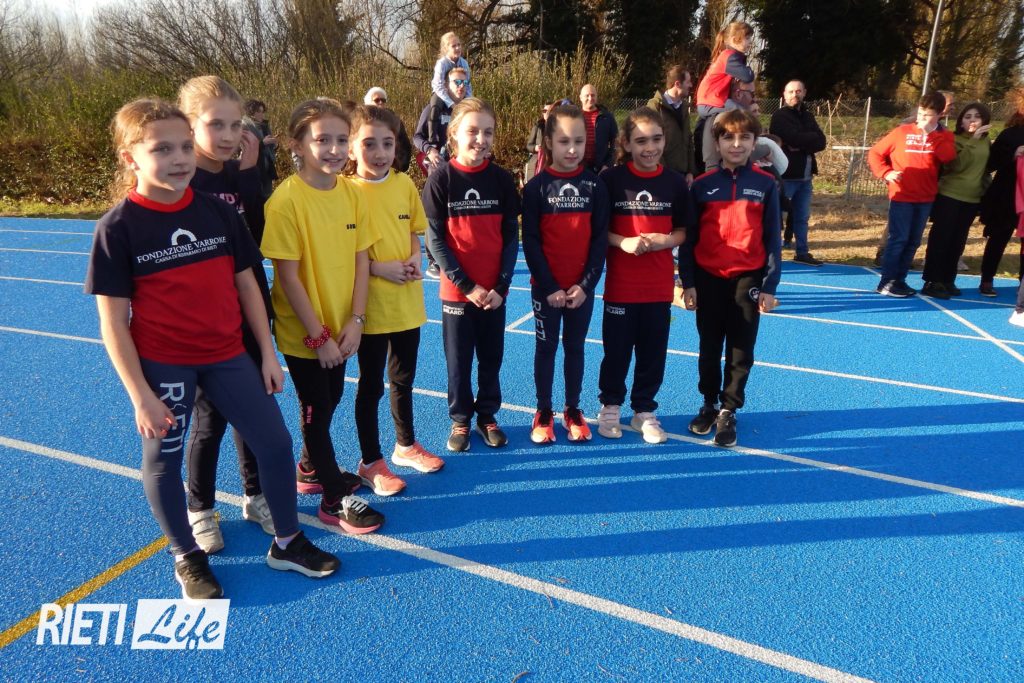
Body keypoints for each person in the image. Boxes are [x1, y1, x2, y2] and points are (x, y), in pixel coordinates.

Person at [85, 98, 340, 600]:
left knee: (275, 443)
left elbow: (248, 285)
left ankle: (287, 542)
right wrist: (140, 395)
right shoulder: (117, 228)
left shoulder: (216, 212)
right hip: (164, 363)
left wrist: (266, 352)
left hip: (227, 354)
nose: (179, 158)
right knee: (163, 460)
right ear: (130, 158)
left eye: (184, 146)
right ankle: (186, 553)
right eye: (162, 149)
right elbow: (113, 322)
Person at [260, 98, 385, 534]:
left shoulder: (352, 194)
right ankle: (333, 498)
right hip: (306, 335)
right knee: (316, 409)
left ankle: (310, 469)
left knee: (330, 401)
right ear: (297, 144)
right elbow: (289, 278)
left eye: (341, 139)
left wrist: (356, 320)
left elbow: (362, 260)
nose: (334, 149)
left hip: (343, 327)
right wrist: (319, 337)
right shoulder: (286, 202)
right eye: (322, 140)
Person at [174, 76, 275, 553]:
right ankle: (200, 508)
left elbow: (257, 237)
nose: (229, 135)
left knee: (252, 409)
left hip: (249, 305)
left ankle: (255, 496)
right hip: (205, 318)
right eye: (216, 124)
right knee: (210, 418)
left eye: (236, 125)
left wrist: (250, 175)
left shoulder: (240, 173)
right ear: (189, 124)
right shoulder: (182, 180)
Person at [344, 104, 445, 494]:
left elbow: (414, 233)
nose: (380, 152)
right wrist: (377, 269)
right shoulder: (344, 191)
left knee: (403, 380)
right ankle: (370, 461)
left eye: (387, 143)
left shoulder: (403, 184)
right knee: (370, 385)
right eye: (369, 144)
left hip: (405, 303)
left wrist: (416, 258)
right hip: (368, 307)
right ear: (351, 148)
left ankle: (405, 446)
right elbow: (340, 252)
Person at [679, 108, 782, 448]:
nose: (736, 144)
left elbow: (772, 238)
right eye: (728, 137)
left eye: (744, 137)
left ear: (754, 142)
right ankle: (708, 403)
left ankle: (729, 409)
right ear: (717, 142)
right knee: (709, 346)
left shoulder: (765, 184)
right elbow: (690, 239)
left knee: (741, 348)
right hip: (708, 278)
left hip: (747, 280)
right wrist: (687, 281)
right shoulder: (702, 186)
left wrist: (769, 285)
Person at [422, 98, 520, 452]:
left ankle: (487, 416)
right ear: (453, 134)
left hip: (494, 292)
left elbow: (511, 238)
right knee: (459, 362)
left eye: (488, 132)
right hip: (457, 293)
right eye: (473, 131)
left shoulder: (502, 180)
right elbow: (435, 240)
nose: (481, 139)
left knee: (491, 358)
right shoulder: (440, 179)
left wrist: (500, 285)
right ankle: (461, 419)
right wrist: (466, 286)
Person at [596, 107, 691, 444]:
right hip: (621, 287)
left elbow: (683, 231)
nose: (650, 147)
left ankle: (644, 411)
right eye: (641, 141)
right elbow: (598, 229)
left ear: (665, 140)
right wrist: (623, 242)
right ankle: (610, 406)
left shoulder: (675, 183)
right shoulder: (611, 181)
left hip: (658, 287)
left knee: (652, 354)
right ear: (626, 143)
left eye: (656, 139)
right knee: (617, 352)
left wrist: (666, 241)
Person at [521, 104, 609, 443]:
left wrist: (585, 286)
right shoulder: (536, 188)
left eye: (579, 141)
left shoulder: (595, 186)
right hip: (547, 290)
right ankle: (543, 411)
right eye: (563, 142)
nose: (572, 149)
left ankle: (572, 409)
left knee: (575, 347)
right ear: (548, 142)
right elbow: (530, 241)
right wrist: (549, 286)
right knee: (545, 348)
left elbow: (599, 240)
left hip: (581, 291)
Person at [867, 92, 956, 297]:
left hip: (925, 197)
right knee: (898, 239)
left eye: (928, 115)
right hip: (902, 196)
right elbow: (875, 153)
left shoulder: (944, 135)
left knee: (913, 241)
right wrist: (886, 172)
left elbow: (947, 157)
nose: (922, 119)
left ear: (939, 114)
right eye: (921, 113)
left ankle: (900, 280)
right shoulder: (902, 131)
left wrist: (931, 135)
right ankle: (887, 282)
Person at [921, 103, 992, 299]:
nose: (972, 120)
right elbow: (956, 165)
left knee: (958, 241)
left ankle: (947, 279)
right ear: (961, 122)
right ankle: (932, 280)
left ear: (984, 120)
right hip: (949, 195)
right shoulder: (953, 139)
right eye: (967, 117)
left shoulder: (986, 142)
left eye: (976, 117)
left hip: (972, 198)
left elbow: (985, 168)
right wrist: (973, 141)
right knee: (941, 239)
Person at [770, 79, 827, 266]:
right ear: (784, 94)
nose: (795, 94)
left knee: (802, 217)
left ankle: (802, 252)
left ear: (804, 93)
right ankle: (773, 252)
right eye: (791, 91)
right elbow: (791, 138)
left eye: (798, 91)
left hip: (806, 177)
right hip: (786, 176)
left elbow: (821, 142)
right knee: (777, 216)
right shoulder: (780, 116)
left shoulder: (808, 116)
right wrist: (806, 141)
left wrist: (800, 142)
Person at [978, 87, 1024, 297]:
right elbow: (991, 164)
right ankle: (987, 279)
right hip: (1006, 197)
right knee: (998, 239)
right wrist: (1013, 154)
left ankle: (1023, 284)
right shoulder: (1010, 134)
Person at [694, 21, 755, 171]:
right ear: (735, 39)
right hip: (712, 100)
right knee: (743, 113)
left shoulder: (728, 56)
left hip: (708, 101)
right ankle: (752, 141)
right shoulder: (729, 56)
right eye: (747, 38)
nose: (750, 43)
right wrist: (750, 70)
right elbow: (747, 76)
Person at [647, 65, 696, 185]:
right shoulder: (655, 106)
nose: (691, 85)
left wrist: (690, 171)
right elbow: (651, 143)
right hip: (662, 175)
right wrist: (663, 172)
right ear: (677, 84)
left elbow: (688, 140)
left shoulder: (684, 108)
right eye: (688, 82)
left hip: (683, 176)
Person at [363, 87, 412, 173]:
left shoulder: (395, 121)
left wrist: (400, 166)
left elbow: (405, 145)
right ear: (368, 102)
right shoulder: (360, 122)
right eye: (377, 100)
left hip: (392, 170)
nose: (381, 102)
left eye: (383, 100)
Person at [243, 99, 278, 199]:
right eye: (259, 111)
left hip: (267, 167)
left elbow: (270, 148)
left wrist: (274, 144)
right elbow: (243, 148)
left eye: (263, 111)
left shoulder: (264, 126)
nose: (262, 114)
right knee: (255, 197)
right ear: (251, 112)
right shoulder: (244, 126)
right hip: (253, 168)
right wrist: (263, 143)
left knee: (268, 197)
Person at [579, 84, 618, 174]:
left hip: (601, 169)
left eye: (593, 95)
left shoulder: (607, 117)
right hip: (579, 168)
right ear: (580, 97)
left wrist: (608, 164)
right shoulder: (575, 117)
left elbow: (616, 142)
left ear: (596, 97)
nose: (590, 98)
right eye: (587, 95)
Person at [431, 32, 472, 107]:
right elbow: (438, 87)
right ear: (446, 49)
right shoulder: (441, 64)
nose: (458, 48)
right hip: (442, 94)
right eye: (454, 46)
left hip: (459, 92)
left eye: (459, 45)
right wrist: (451, 104)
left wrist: (468, 102)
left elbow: (468, 85)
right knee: (435, 106)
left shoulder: (464, 63)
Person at [524, 100, 557, 183]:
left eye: (549, 111)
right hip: (538, 160)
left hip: (553, 160)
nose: (546, 113)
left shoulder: (558, 127)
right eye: (544, 111)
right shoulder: (538, 126)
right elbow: (528, 145)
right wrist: (535, 148)